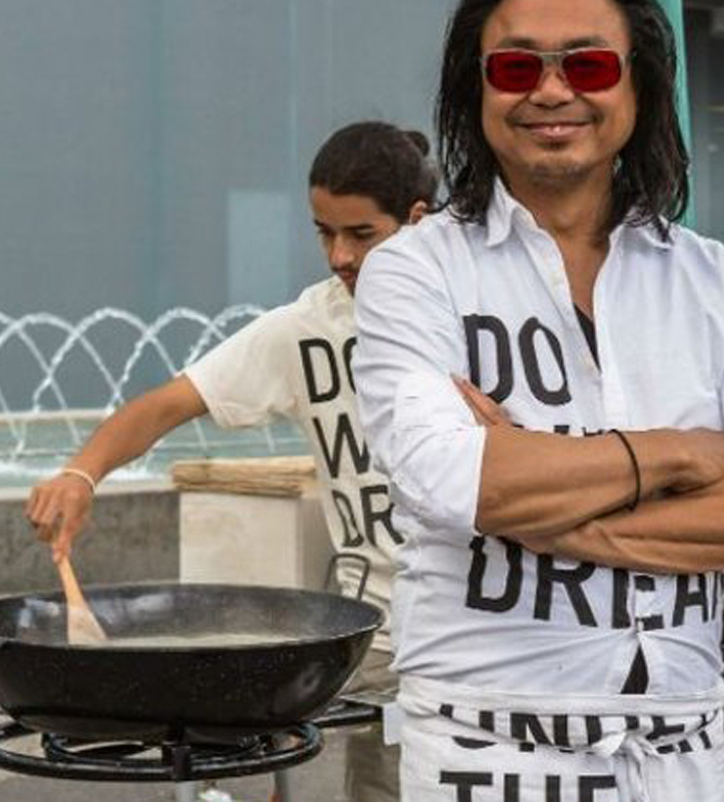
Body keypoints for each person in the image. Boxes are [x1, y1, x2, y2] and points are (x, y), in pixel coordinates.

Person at [350, 0, 724, 802]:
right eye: (513, 66)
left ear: (639, 87)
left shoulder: (712, 280)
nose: (550, 89)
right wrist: (680, 454)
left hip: (684, 753)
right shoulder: (415, 271)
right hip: (487, 749)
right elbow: (447, 476)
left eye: (588, 63)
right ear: (477, 90)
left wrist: (546, 512)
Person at [23, 120, 437, 802]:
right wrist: (80, 472)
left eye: (360, 235)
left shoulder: (478, 315)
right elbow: (165, 404)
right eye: (323, 232)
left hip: (473, 628)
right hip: (375, 636)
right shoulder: (305, 328)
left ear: (417, 222)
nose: (337, 256)